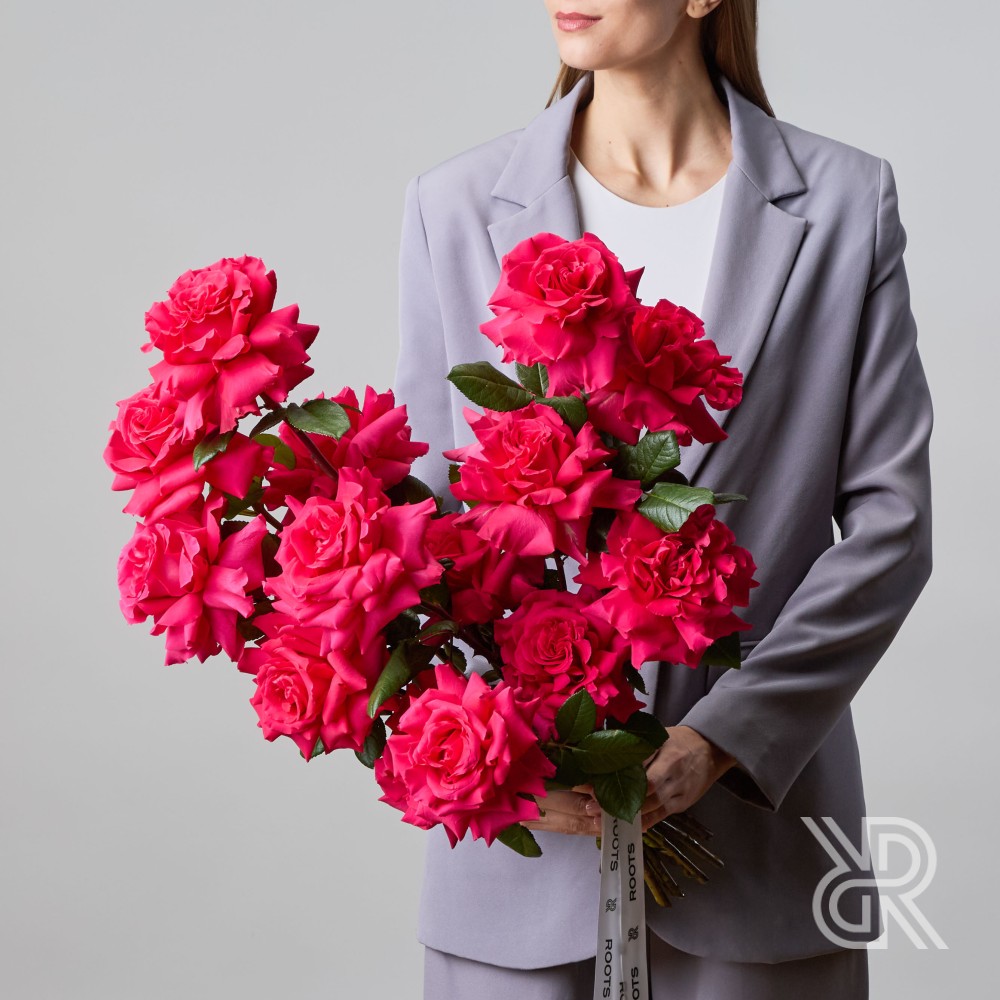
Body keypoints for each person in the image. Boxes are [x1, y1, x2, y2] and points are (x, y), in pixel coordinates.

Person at [393, 2, 933, 997]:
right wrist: (489, 755)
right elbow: (428, 518)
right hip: (523, 861)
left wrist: (723, 738)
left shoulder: (845, 203)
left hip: (760, 854)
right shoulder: (454, 204)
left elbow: (891, 527)